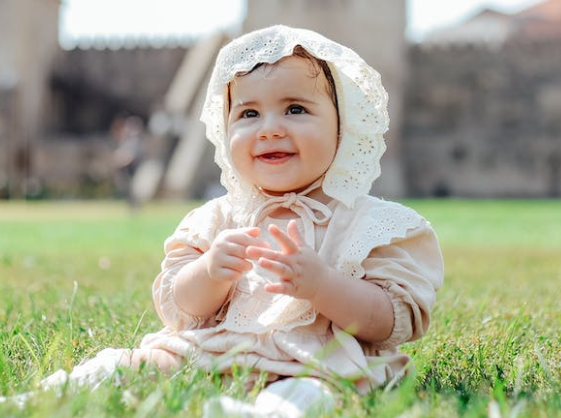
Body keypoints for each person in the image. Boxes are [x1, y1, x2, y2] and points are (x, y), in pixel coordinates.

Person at [1, 25, 444, 417]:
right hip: (214, 351)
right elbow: (180, 307)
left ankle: (264, 412)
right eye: (248, 113)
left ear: (343, 127)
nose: (269, 128)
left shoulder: (367, 224)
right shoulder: (218, 217)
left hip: (318, 360)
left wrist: (322, 285)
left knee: (313, 394)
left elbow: (390, 322)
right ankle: (47, 398)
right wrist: (210, 271)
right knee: (128, 363)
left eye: (295, 109)